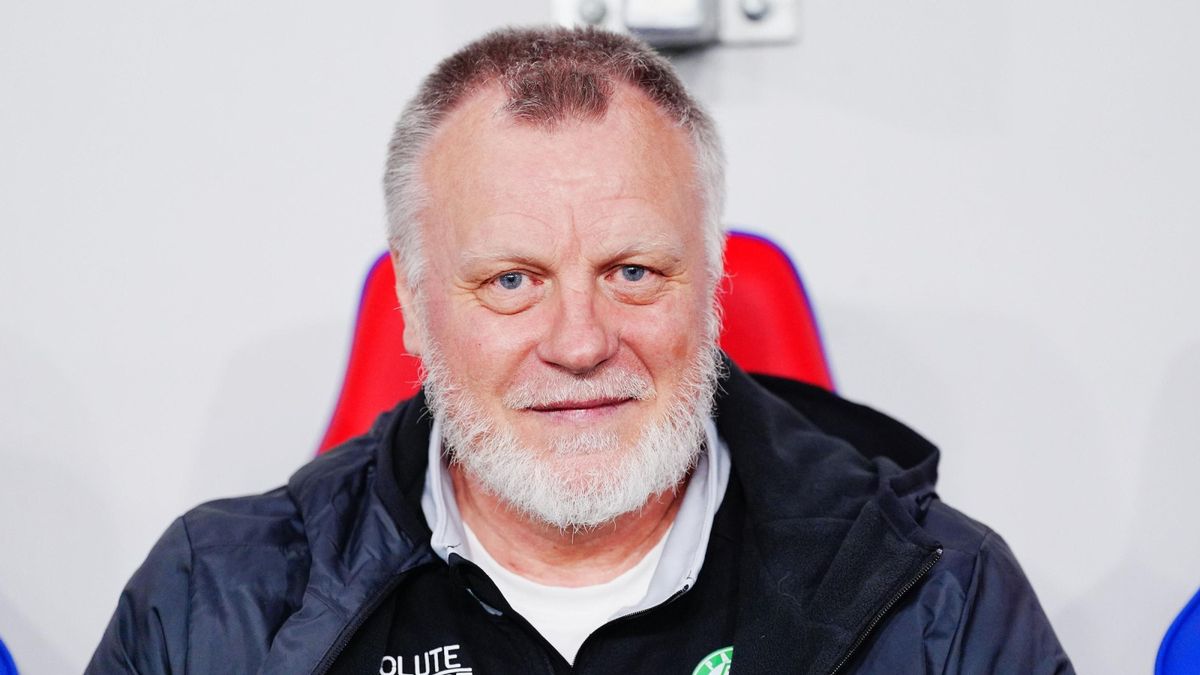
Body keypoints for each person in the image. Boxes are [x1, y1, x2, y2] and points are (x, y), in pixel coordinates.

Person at [87, 26, 1073, 674]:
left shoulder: (941, 599)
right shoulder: (211, 604)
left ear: (712, 289)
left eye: (633, 271)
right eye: (512, 280)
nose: (580, 342)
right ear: (415, 309)